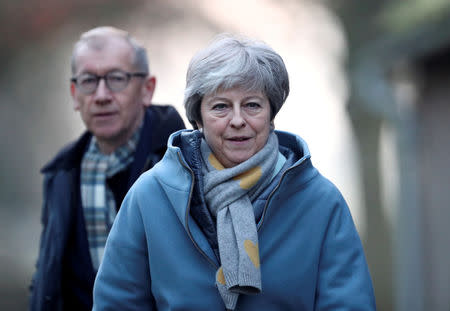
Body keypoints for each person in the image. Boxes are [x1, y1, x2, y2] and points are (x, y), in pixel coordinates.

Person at [93, 34, 376, 310]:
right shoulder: (150, 197)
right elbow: (117, 303)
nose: (238, 120)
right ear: (198, 117)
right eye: (221, 107)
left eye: (252, 105)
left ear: (271, 112)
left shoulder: (320, 202)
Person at [29, 26, 185, 311]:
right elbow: (46, 279)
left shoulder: (184, 165)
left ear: (147, 89)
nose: (101, 95)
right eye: (89, 80)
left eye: (116, 79)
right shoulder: (61, 175)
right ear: (75, 94)